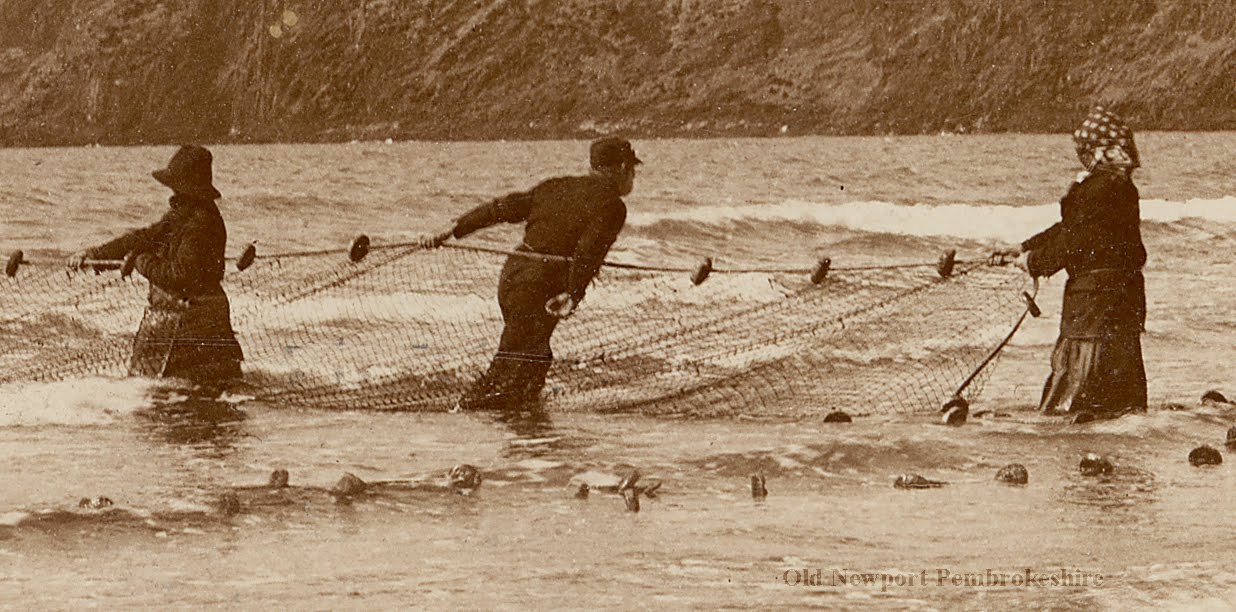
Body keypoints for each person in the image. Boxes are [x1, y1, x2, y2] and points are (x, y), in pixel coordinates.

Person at [419, 137, 640, 410]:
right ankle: (466, 416)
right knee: (511, 362)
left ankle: (527, 428)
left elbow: (501, 208)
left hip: (513, 276)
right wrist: (573, 294)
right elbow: (588, 252)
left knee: (535, 356)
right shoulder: (613, 205)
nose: (633, 177)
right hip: (540, 287)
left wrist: (454, 228)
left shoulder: (554, 186)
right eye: (632, 169)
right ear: (621, 167)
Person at [1000, 106, 1147, 419]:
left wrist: (1033, 262)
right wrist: (1024, 247)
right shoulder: (1121, 187)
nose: (1082, 156)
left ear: (1099, 151)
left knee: (1072, 393)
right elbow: (1071, 229)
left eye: (1085, 150)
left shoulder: (1094, 189)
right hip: (1126, 296)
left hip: (1092, 300)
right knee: (1121, 389)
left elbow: (1074, 241)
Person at [68, 145, 244, 385]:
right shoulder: (185, 213)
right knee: (199, 394)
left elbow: (181, 275)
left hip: (192, 320)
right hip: (195, 317)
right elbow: (145, 237)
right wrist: (94, 255)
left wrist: (141, 261)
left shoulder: (199, 223)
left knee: (165, 395)